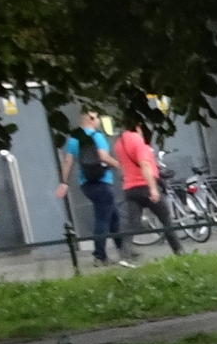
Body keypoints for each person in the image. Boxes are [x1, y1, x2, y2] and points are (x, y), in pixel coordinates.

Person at [56, 110, 127, 267]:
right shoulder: (97, 136)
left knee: (113, 216)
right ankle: (100, 256)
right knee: (102, 219)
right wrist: (120, 167)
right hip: (102, 181)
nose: (99, 121)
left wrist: (64, 182)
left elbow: (68, 162)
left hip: (86, 184)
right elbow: (103, 157)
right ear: (92, 119)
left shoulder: (74, 139)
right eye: (97, 118)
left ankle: (124, 251)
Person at [111, 120, 181, 258]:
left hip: (130, 188)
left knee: (132, 224)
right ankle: (179, 251)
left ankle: (125, 256)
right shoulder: (138, 141)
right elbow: (145, 165)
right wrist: (153, 188)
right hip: (145, 186)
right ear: (137, 127)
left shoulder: (119, 144)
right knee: (165, 218)